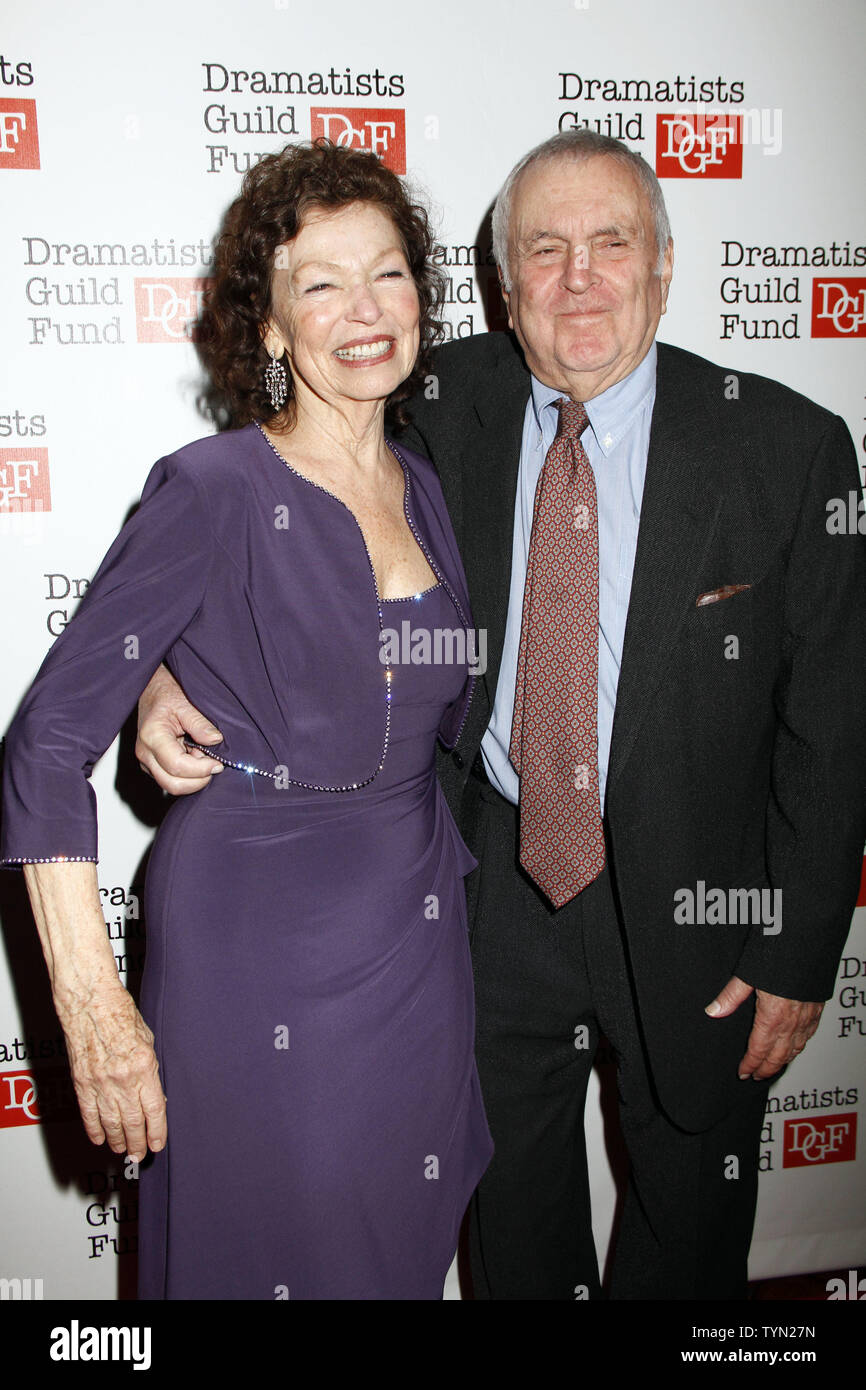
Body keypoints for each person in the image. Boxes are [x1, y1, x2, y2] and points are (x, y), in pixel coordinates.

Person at [137, 130, 866, 1300]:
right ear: (502, 284)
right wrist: (170, 664)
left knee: (690, 1227)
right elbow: (270, 487)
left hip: (699, 906)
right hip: (484, 897)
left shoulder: (785, 450)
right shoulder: (437, 398)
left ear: (664, 267)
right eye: (545, 249)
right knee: (512, 1223)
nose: (578, 277)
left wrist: (794, 950)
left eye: (610, 243)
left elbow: (833, 727)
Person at [1, 139, 493, 1300]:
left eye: (386, 274)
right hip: (261, 951)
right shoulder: (212, 487)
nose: (362, 311)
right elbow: (44, 747)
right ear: (269, 329)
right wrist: (94, 1010)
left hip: (417, 944)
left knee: (394, 1249)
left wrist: (177, 665)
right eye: (318, 284)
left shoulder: (421, 478)